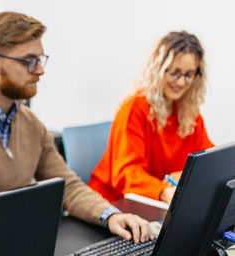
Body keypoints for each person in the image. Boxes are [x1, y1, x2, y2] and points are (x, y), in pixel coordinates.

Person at [0, 11, 152, 242]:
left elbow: (67, 187)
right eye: (29, 61)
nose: (40, 70)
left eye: (40, 59)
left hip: (16, 244)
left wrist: (110, 216)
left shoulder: (30, 123)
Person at [88, 32, 214, 204]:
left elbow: (207, 161)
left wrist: (187, 175)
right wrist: (164, 192)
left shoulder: (190, 115)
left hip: (158, 206)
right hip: (114, 204)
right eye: (173, 73)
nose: (180, 82)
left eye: (188, 75)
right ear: (158, 69)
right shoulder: (135, 109)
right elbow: (128, 174)